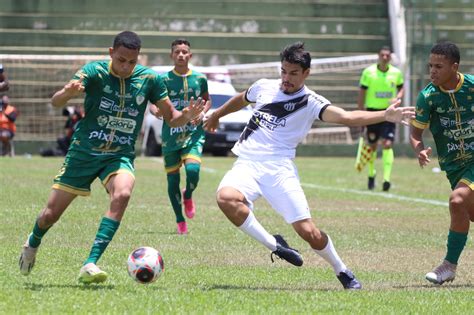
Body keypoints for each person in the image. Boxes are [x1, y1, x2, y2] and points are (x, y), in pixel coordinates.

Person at [204, 42, 414, 290]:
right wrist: (217, 114)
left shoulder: (310, 101)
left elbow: (346, 117)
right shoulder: (264, 86)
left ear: (306, 73)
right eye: (284, 71)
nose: (286, 78)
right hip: (247, 164)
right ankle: (276, 245)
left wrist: (384, 115)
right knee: (226, 198)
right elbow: (242, 98)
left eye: (293, 73)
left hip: (279, 169)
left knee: (309, 232)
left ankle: (342, 270)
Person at [18, 31, 205, 284]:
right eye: (121, 60)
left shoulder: (149, 78)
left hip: (119, 155)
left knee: (123, 193)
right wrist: (68, 92)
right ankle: (32, 244)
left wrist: (188, 115)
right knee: (50, 215)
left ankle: (90, 263)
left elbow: (171, 117)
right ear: (111, 53)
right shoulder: (94, 71)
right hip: (84, 152)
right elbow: (55, 101)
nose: (126, 66)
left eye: (132, 61)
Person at [410, 41, 473, 285]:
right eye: (430, 66)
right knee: (463, 209)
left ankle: (448, 265)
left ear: (454, 67)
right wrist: (419, 150)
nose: (432, 71)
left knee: (457, 200)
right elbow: (416, 134)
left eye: (439, 66)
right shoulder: (428, 97)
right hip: (455, 167)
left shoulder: (472, 86)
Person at [158, 38, 211, 235]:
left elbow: (207, 100)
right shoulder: (163, 80)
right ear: (171, 55)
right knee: (172, 181)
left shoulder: (200, 78)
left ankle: (188, 194)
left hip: (193, 133)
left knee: (193, 170)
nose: (181, 54)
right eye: (177, 51)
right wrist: (156, 110)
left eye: (184, 51)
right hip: (171, 134)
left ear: (190, 55)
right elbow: (155, 103)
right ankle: (180, 220)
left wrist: (202, 113)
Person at [357, 46, 404, 191]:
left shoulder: (396, 73)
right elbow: (362, 92)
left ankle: (386, 179)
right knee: (372, 145)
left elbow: (401, 87)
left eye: (387, 55)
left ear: (390, 57)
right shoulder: (368, 72)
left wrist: (398, 97)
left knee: (387, 143)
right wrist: (361, 113)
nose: (385, 57)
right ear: (378, 56)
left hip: (388, 113)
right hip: (371, 112)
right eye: (382, 55)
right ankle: (371, 174)